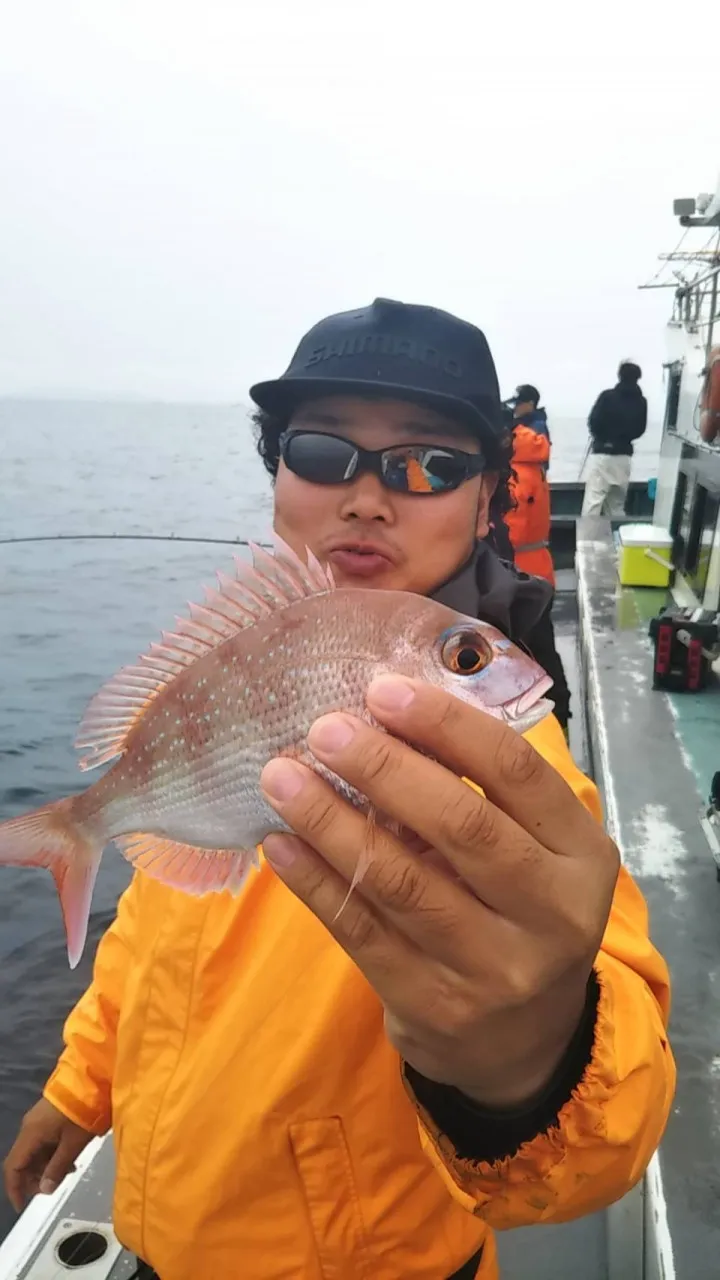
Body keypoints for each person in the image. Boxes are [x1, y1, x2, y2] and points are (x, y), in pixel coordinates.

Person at [4, 299, 675, 1280]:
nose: (367, 496)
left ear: (489, 494)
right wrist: (78, 1084)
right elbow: (154, 938)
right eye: (322, 451)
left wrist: (528, 1061)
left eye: (428, 463)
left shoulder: (515, 768)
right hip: (159, 1243)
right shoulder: (228, 682)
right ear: (277, 470)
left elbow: (614, 1110)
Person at [503, 385, 555, 585]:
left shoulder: (512, 480)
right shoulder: (533, 466)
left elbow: (512, 533)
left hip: (518, 573)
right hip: (539, 568)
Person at [582, 361, 648, 517]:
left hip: (603, 455)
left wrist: (602, 437)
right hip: (624, 457)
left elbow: (593, 421)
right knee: (616, 505)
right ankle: (617, 537)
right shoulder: (641, 402)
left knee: (593, 502)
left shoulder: (607, 396)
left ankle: (589, 540)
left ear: (619, 375)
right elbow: (640, 430)